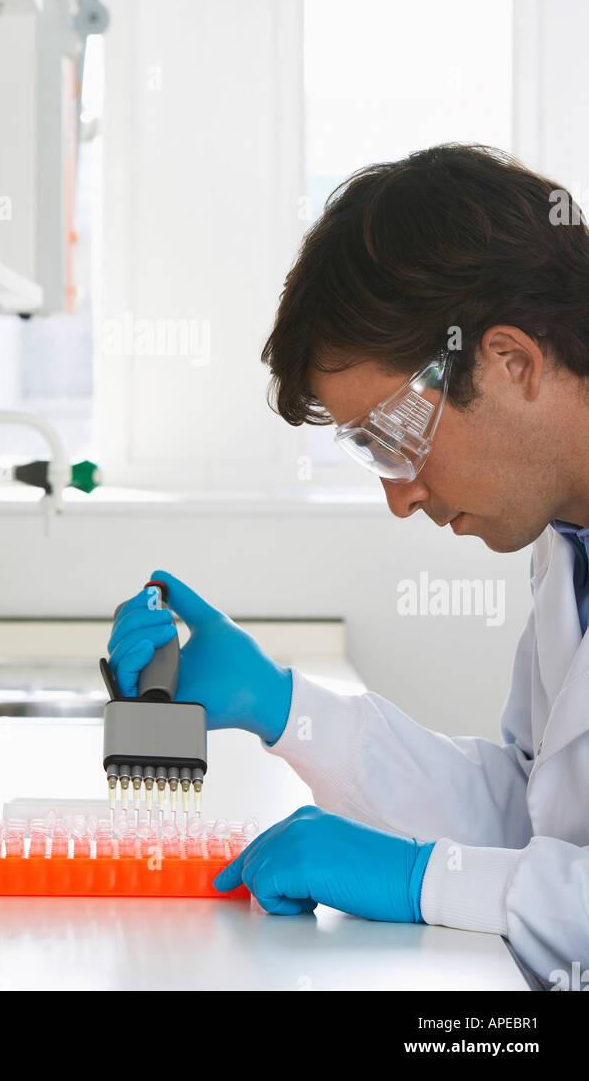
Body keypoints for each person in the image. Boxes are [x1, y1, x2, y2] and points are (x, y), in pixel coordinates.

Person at [107, 144, 589, 984]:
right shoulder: (568, 546)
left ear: (512, 362)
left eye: (396, 438)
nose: (401, 497)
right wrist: (286, 709)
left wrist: (417, 880)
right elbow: (536, 817)